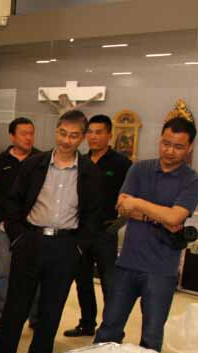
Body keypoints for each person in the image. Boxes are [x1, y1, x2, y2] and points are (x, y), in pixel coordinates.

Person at [0, 110, 104, 353]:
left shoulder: (89, 172)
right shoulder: (34, 164)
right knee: (15, 310)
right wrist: (18, 237)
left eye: (73, 135)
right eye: (62, 133)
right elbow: (12, 202)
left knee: (50, 313)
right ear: (56, 131)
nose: (66, 140)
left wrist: (78, 248)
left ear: (82, 138)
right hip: (30, 242)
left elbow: (93, 216)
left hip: (65, 246)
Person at [94, 117, 198, 352]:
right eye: (166, 143)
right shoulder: (139, 169)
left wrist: (139, 204)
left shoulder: (193, 181)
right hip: (127, 263)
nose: (170, 151)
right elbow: (122, 206)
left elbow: (175, 218)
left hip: (161, 270)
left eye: (178, 146)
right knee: (108, 330)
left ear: (190, 147)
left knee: (151, 337)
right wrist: (159, 215)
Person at [64, 114, 132, 338]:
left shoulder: (121, 164)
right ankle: (86, 323)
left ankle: (112, 329)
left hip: (105, 232)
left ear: (109, 135)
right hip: (80, 231)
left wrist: (116, 225)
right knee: (82, 280)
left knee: (109, 283)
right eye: (90, 132)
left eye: (99, 132)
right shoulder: (80, 161)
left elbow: (129, 198)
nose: (93, 137)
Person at [0, 117, 40, 330]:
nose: (28, 138)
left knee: (33, 273)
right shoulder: (1, 162)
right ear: (12, 136)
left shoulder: (41, 160)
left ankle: (35, 317)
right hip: (5, 226)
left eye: (31, 133)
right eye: (24, 133)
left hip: (33, 227)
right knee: (3, 271)